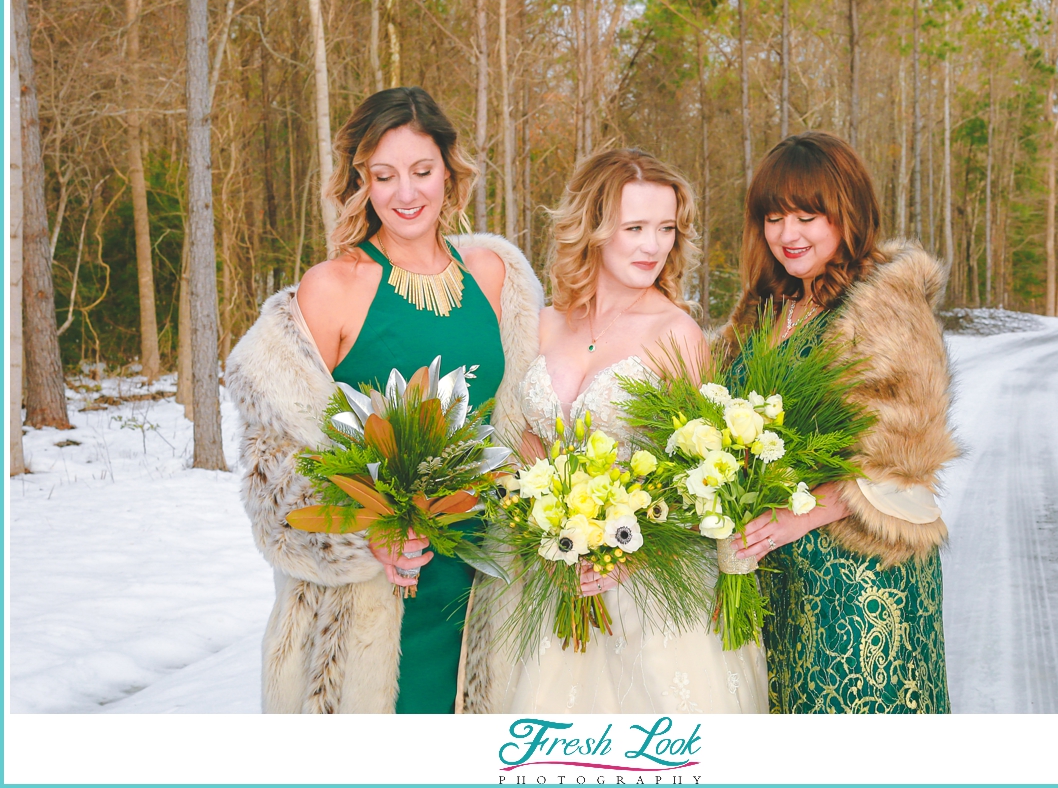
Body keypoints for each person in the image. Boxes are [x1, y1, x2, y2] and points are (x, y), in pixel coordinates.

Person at [225, 87, 543, 714]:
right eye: (385, 175)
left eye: (422, 172)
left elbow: (522, 425)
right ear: (360, 181)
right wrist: (367, 533)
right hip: (370, 598)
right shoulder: (334, 287)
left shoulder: (494, 276)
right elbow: (274, 462)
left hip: (486, 587)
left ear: (449, 174)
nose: (406, 193)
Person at [487, 148, 768, 714]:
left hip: (654, 587)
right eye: (634, 227)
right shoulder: (541, 326)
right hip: (556, 581)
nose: (653, 245)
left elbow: (705, 474)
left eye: (665, 228)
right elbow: (527, 446)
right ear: (591, 228)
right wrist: (553, 531)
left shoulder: (677, 333)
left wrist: (621, 551)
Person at [722, 131, 956, 713]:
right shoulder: (768, 307)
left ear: (846, 213)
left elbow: (907, 450)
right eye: (774, 217)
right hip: (778, 567)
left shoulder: (885, 303)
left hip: (858, 576)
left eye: (808, 216)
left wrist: (803, 514)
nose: (787, 235)